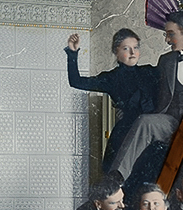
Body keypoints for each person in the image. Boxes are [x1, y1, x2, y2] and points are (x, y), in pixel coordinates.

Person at [108, 11, 183, 179]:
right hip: (172, 121)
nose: (166, 40)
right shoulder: (165, 60)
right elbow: (149, 87)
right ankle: (116, 178)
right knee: (145, 122)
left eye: (170, 34)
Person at [65, 29, 165, 181]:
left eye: (135, 47)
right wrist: (72, 53)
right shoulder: (111, 78)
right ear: (116, 52)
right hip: (125, 134)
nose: (132, 52)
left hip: (150, 135)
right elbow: (76, 81)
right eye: (126, 48)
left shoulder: (150, 72)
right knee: (120, 179)